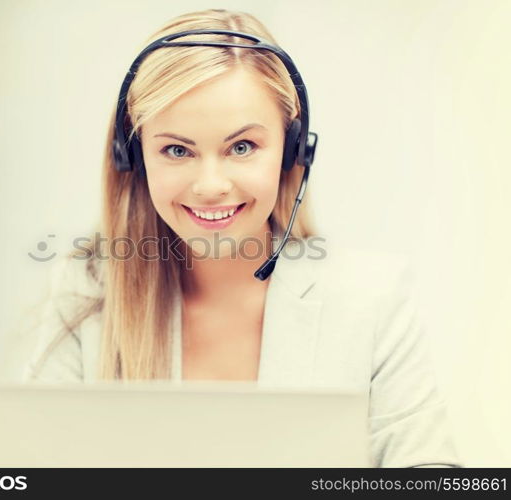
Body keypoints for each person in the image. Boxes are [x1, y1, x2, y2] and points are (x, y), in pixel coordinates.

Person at [23, 8, 462, 468]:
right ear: (133, 157)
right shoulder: (87, 289)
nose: (211, 184)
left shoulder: (373, 300)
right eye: (177, 149)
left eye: (242, 147)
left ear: (293, 152)